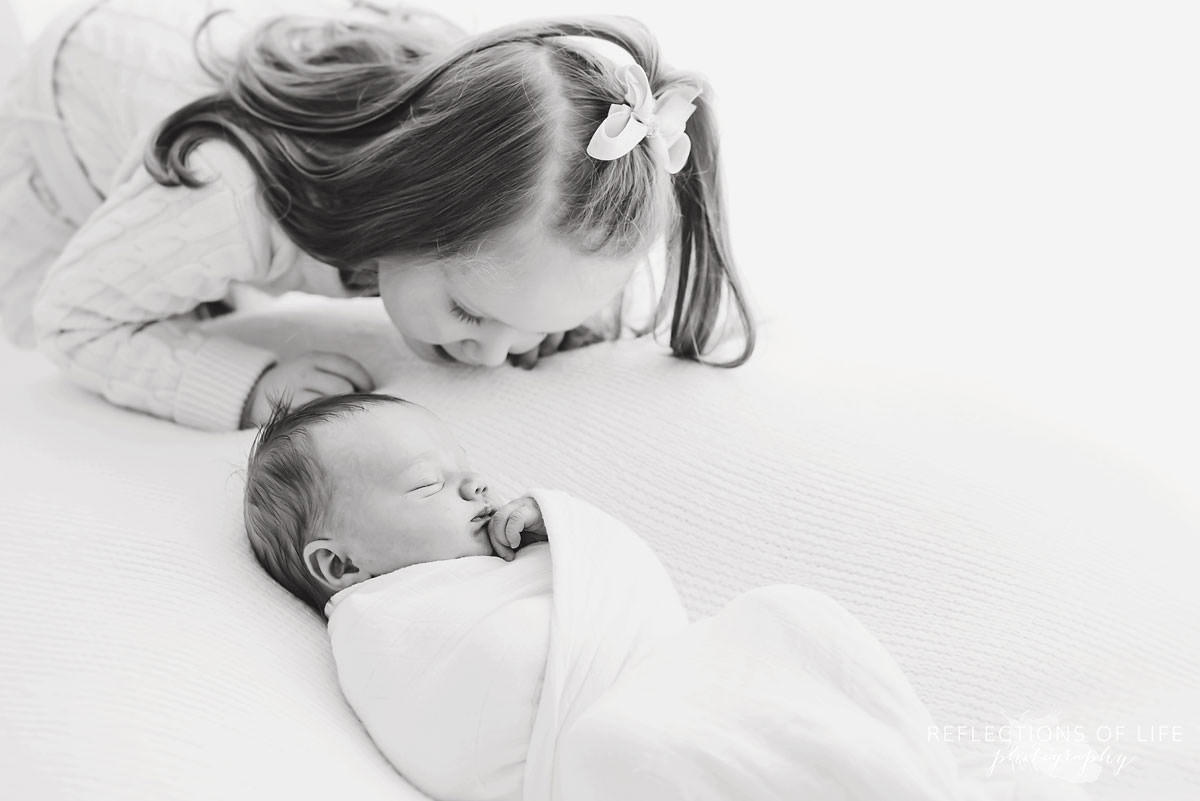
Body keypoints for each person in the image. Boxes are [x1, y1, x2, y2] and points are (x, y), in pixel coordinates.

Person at [0, 0, 753, 431]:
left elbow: (552, 250)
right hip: (48, 132)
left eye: (534, 327)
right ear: (406, 199)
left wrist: (541, 317)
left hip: (192, 76)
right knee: (25, 341)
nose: (494, 357)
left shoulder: (526, 148)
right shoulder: (220, 196)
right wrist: (247, 385)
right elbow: (71, 321)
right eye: (469, 312)